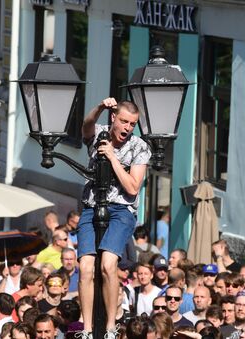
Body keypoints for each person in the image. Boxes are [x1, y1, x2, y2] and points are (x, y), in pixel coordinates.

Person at [77, 97, 151, 339]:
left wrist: (112, 157)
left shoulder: (140, 147)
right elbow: (86, 124)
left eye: (132, 123)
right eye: (124, 122)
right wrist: (98, 106)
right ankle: (87, 330)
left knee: (108, 264)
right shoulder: (99, 134)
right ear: (113, 118)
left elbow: (132, 188)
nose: (128, 128)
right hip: (91, 205)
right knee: (86, 267)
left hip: (121, 209)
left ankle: (110, 327)